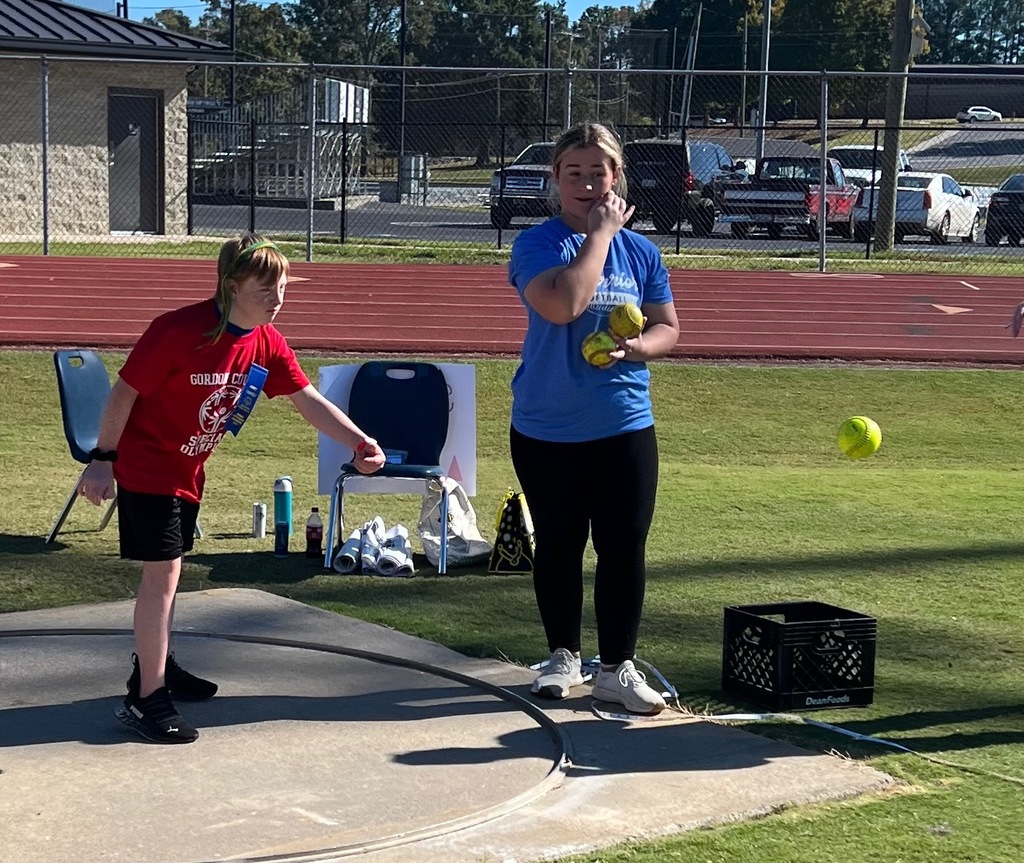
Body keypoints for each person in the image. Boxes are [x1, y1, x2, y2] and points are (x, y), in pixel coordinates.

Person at [78, 234, 386, 744]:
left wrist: (360, 441)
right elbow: (124, 392)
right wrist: (101, 460)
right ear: (231, 286)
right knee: (162, 577)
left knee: (171, 575)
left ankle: (157, 667)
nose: (277, 299)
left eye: (282, 287)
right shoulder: (177, 330)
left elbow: (306, 398)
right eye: (265, 289)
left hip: (187, 472)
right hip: (148, 468)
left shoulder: (265, 340)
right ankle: (146, 699)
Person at [507, 122, 681, 716]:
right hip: (547, 426)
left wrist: (640, 347)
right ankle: (562, 657)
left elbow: (668, 326)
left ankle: (616, 669)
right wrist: (601, 234)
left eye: (597, 172)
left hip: (624, 423)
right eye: (573, 172)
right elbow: (564, 305)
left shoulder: (644, 252)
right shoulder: (537, 244)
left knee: (623, 546)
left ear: (617, 176)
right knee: (559, 544)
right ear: (556, 179)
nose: (586, 184)